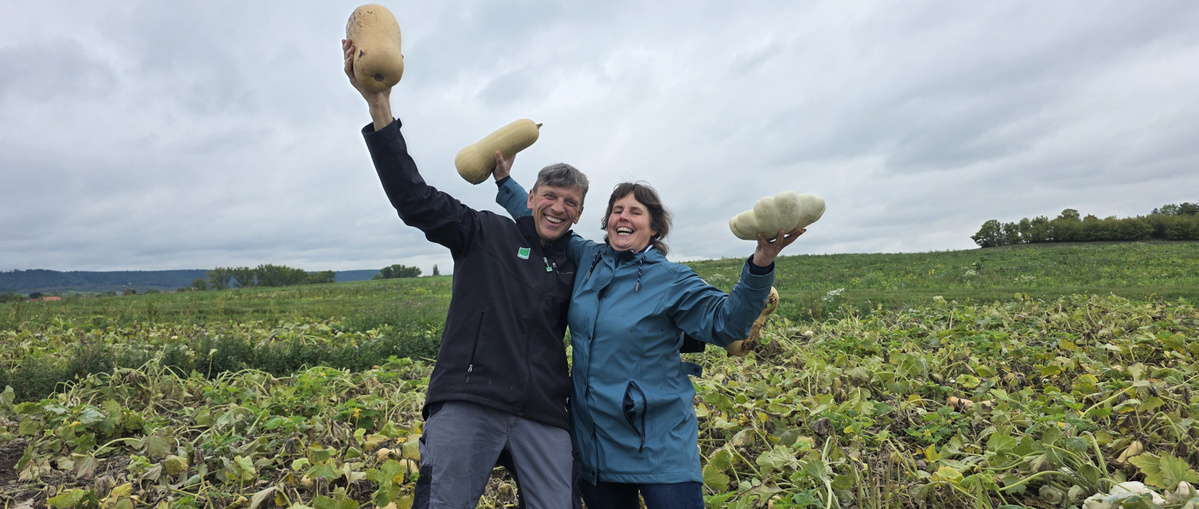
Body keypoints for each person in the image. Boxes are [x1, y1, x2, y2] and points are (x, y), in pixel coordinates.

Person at [343, 39, 588, 509]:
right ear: (531, 197)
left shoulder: (576, 264)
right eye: (550, 196)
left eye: (570, 203)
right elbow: (414, 198)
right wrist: (380, 104)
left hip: (543, 411)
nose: (558, 207)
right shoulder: (483, 231)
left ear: (578, 214)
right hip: (469, 397)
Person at [493, 165, 802, 508]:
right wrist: (505, 182)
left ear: (653, 228)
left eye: (635, 212)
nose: (623, 217)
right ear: (607, 221)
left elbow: (726, 325)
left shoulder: (672, 279)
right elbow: (548, 212)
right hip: (596, 449)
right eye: (617, 210)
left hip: (660, 449)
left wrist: (760, 264)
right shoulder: (587, 258)